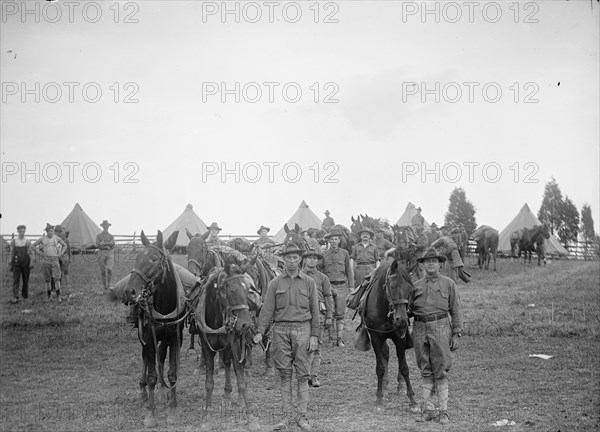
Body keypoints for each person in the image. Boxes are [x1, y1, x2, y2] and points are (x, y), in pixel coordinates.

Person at [253, 243, 320, 432]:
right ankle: (285, 417)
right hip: (280, 331)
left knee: (302, 375)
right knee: (284, 375)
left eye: (295, 257)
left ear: (300, 259)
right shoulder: (275, 283)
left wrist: (315, 335)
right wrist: (260, 330)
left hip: (303, 330)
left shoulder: (309, 282)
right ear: (284, 259)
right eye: (288, 258)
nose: (292, 261)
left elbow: (315, 311)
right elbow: (267, 309)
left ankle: (303, 417)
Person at [412, 247, 462, 425]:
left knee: (440, 370)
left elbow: (456, 309)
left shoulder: (449, 284)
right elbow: (407, 310)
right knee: (425, 369)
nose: (431, 263)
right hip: (419, 328)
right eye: (427, 261)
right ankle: (427, 409)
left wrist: (456, 332)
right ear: (423, 265)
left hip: (441, 326)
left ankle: (443, 411)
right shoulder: (415, 286)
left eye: (435, 261)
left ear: (440, 264)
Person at [301, 248, 333, 388]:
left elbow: (328, 296)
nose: (312, 260)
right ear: (304, 259)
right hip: (301, 315)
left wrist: (329, 316)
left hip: (318, 315)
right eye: (309, 258)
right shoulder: (298, 276)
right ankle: (304, 375)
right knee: (301, 346)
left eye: (315, 258)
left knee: (316, 346)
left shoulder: (322, 277)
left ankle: (313, 376)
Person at [321, 228, 354, 347]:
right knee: (330, 312)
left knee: (340, 313)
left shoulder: (344, 253)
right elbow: (320, 271)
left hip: (341, 286)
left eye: (336, 239)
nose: (334, 241)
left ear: (339, 240)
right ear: (329, 241)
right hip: (329, 286)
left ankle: (339, 339)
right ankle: (331, 338)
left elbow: (349, 271)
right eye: (332, 239)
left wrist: (351, 286)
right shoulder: (323, 254)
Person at [32, 224, 67, 302]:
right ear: (46, 232)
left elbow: (65, 245)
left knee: (57, 279)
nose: (50, 232)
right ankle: (49, 297)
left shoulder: (57, 238)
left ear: (53, 231)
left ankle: (58, 297)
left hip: (55, 260)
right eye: (49, 231)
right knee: (48, 280)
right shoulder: (43, 239)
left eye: (52, 231)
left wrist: (61, 253)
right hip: (46, 261)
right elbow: (33, 246)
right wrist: (39, 253)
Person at [9, 225, 35, 303]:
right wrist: (10, 262)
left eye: (23, 231)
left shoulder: (27, 241)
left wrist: (32, 262)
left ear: (25, 232)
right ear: (18, 231)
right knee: (16, 279)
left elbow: (31, 252)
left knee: (25, 279)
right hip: (16, 263)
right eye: (20, 231)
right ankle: (15, 296)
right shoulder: (14, 241)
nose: (22, 233)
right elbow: (11, 252)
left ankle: (25, 295)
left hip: (25, 263)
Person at [96, 220, 116, 290]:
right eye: (104, 227)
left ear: (108, 227)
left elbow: (113, 244)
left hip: (110, 252)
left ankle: (109, 284)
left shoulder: (111, 236)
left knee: (110, 269)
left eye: (106, 227)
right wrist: (106, 245)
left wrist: (103, 243)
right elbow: (97, 245)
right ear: (102, 227)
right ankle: (105, 286)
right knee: (103, 270)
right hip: (101, 253)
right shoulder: (99, 236)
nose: (105, 228)